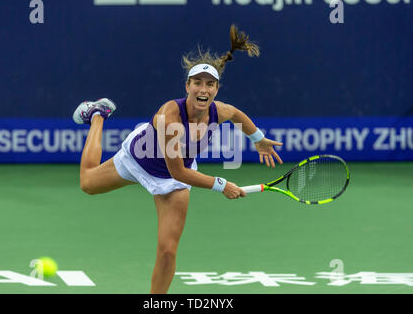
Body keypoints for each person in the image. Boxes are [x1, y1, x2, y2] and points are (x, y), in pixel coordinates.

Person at [72, 24, 283, 294]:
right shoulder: (169, 115)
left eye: (210, 84)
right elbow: (179, 172)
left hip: (173, 182)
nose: (203, 89)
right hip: (139, 161)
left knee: (168, 250)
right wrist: (222, 185)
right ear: (188, 86)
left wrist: (259, 139)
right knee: (87, 183)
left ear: (216, 89)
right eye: (197, 83)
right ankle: (98, 115)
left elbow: (238, 116)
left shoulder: (221, 110)